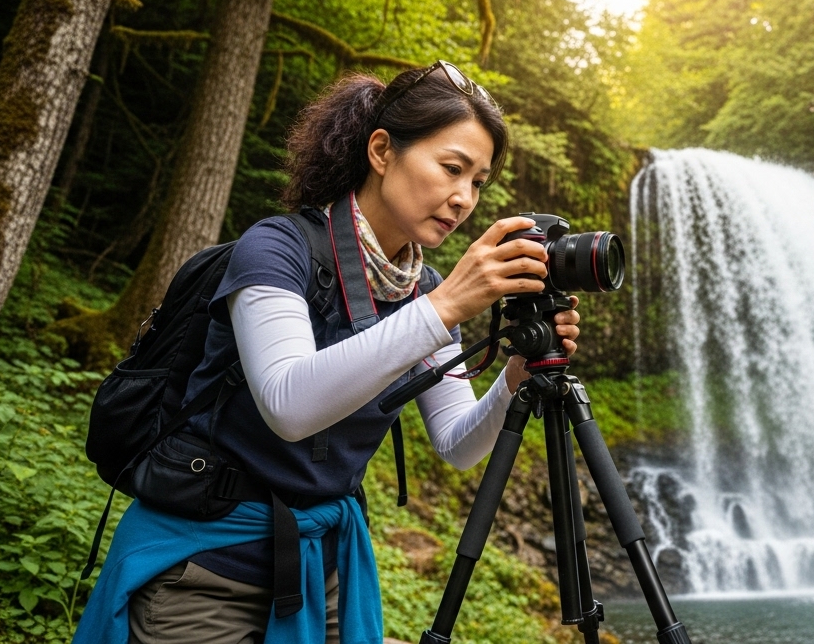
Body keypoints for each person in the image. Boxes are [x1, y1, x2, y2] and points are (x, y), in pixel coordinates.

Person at [73, 61, 580, 644]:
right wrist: (445, 307)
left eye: (479, 182)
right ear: (382, 151)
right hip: (206, 568)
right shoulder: (278, 249)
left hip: (324, 571)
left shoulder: (421, 287)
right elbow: (289, 405)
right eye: (451, 169)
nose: (463, 198)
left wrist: (514, 375)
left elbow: (458, 444)